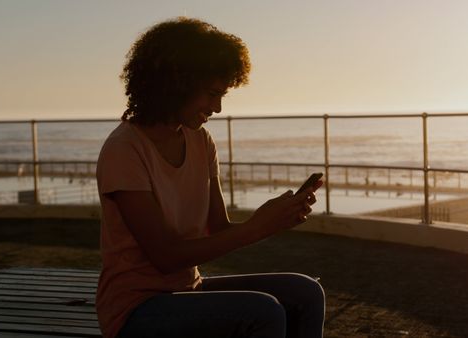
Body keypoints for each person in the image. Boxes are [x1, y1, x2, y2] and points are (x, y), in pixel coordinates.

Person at [95, 17, 325, 338]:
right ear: (176, 83)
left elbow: (218, 229)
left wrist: (272, 220)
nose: (217, 108)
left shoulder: (200, 141)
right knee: (262, 312)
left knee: (305, 292)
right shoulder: (124, 149)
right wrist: (256, 228)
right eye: (212, 93)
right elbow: (165, 257)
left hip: (187, 290)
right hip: (136, 309)